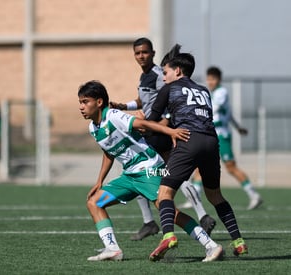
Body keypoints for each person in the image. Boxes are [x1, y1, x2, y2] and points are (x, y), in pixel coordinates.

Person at [79, 80, 223, 262]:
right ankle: (112, 249)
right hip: (130, 176)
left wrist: (170, 132)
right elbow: (108, 151)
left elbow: (143, 124)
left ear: (99, 102)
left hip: (149, 171)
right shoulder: (93, 128)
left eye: (85, 102)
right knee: (94, 202)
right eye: (80, 103)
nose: (81, 107)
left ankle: (211, 246)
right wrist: (100, 180)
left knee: (172, 213)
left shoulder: (114, 116)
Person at [147, 45, 248, 261]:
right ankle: (238, 242)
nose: (164, 78)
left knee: (164, 194)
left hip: (188, 140)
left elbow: (151, 121)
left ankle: (168, 236)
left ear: (178, 71)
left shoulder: (169, 89)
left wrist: (131, 122)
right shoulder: (203, 90)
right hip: (212, 142)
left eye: (165, 72)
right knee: (215, 195)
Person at [110, 37, 216, 240]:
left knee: (155, 172)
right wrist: (124, 106)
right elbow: (144, 100)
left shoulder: (160, 75)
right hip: (151, 128)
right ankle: (190, 216)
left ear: (152, 53)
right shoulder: (145, 77)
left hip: (158, 131)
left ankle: (159, 221)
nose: (141, 56)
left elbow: (170, 100)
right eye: (137, 53)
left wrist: (164, 125)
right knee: (149, 172)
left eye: (145, 52)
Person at [181, 66, 263, 210]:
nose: (210, 81)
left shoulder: (221, 92)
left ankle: (253, 195)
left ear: (218, 79)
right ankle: (193, 200)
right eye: (208, 78)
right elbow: (229, 114)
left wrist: (195, 112)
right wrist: (238, 127)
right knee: (199, 167)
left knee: (231, 167)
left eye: (212, 79)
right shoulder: (210, 93)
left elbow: (216, 109)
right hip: (210, 135)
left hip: (221, 136)